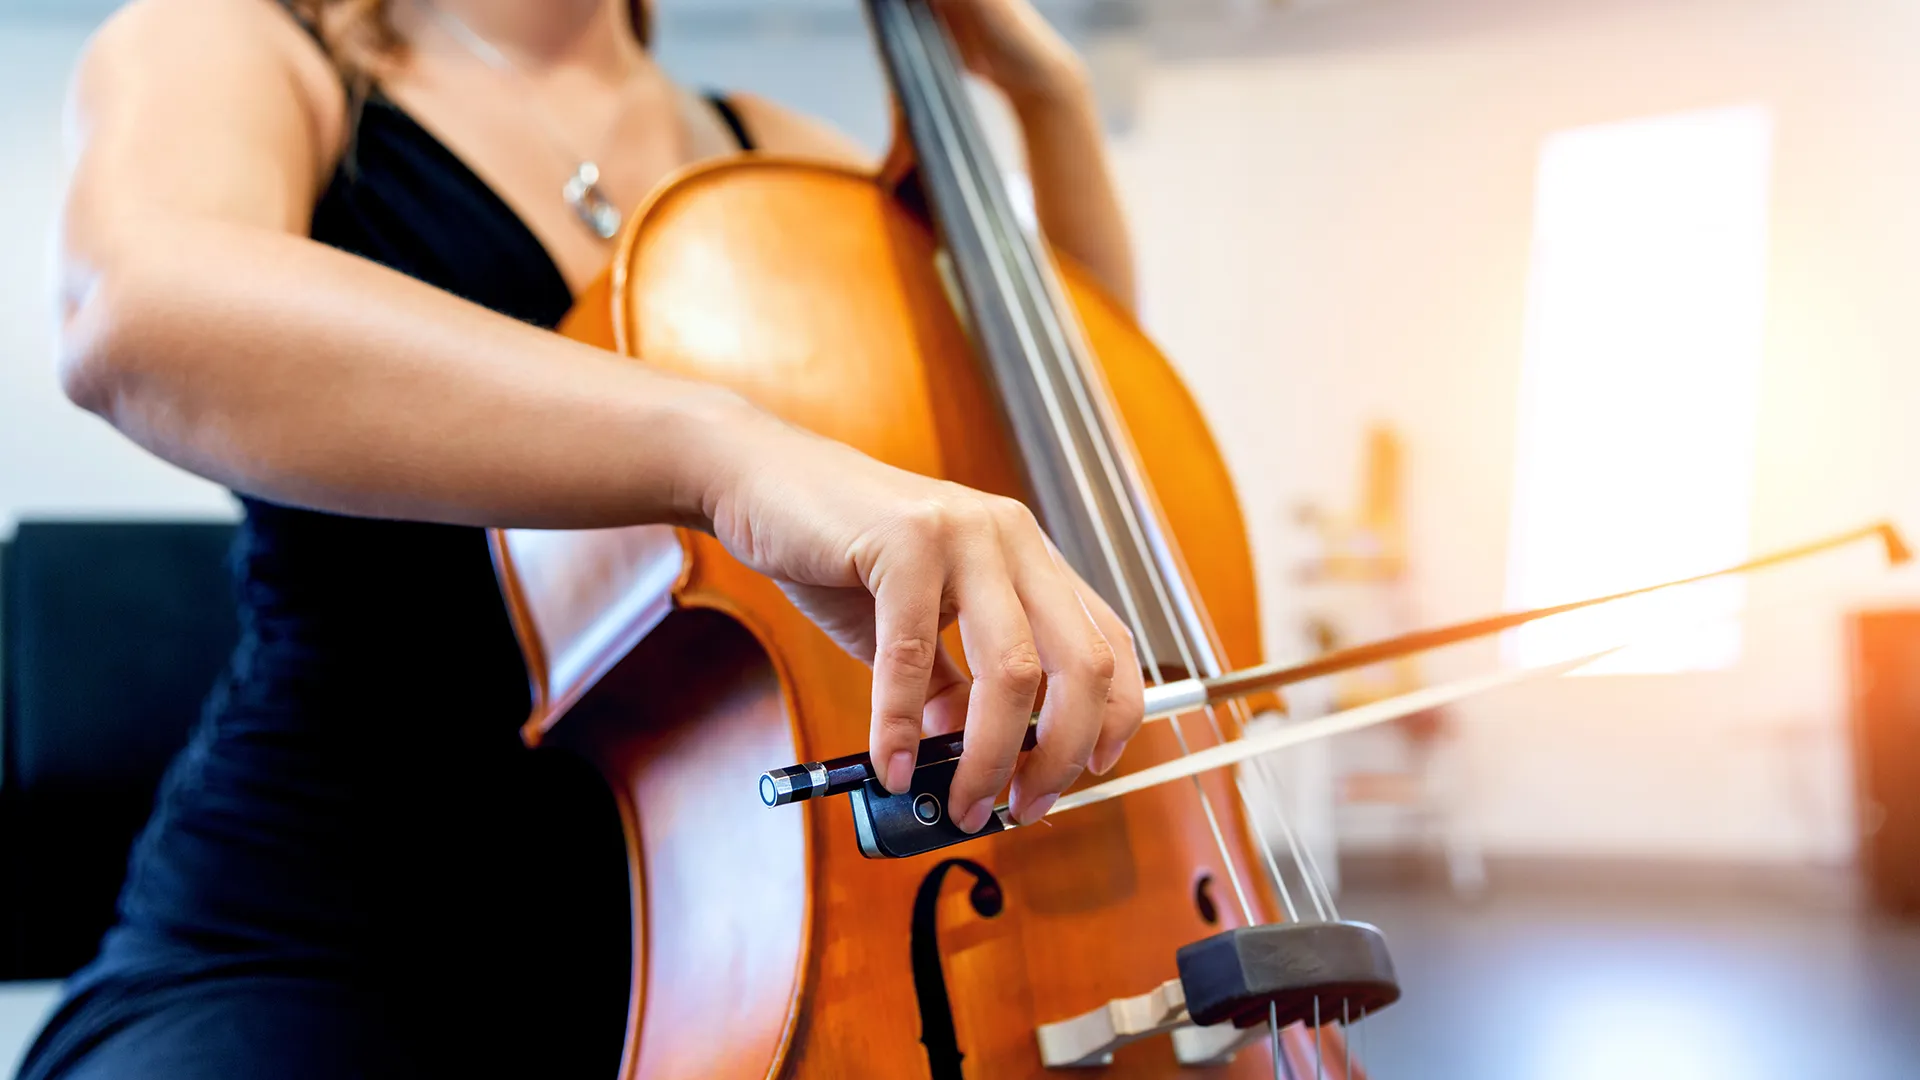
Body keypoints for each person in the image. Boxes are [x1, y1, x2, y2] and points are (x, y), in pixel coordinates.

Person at [17, 0, 1146, 1076]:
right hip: (320, 951)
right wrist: (724, 452)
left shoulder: (777, 156)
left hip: (754, 951)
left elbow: (1090, 444)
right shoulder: (251, 47)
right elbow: (138, 310)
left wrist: (1047, 97)